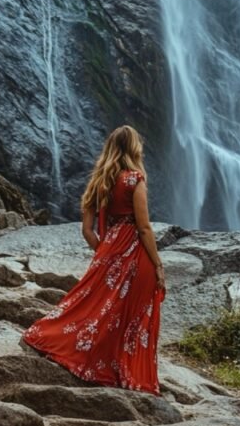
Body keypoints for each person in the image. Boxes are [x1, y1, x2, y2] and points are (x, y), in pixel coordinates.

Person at [21, 125, 166, 395]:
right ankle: (126, 371)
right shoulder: (135, 180)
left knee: (92, 305)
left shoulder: (98, 184)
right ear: (134, 148)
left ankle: (58, 339)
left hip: (108, 251)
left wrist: (106, 253)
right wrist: (158, 264)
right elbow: (144, 228)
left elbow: (87, 230)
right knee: (133, 315)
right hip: (136, 254)